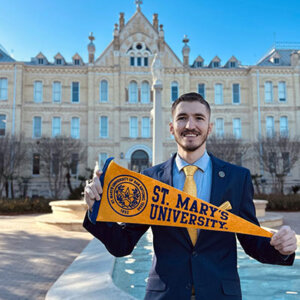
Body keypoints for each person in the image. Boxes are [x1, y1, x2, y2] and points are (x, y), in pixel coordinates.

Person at [83, 92, 297, 300]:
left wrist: (281, 248)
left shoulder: (236, 178)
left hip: (220, 295)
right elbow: (123, 245)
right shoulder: (151, 178)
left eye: (199, 118)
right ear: (171, 128)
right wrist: (95, 208)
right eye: (182, 118)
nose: (190, 125)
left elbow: (252, 242)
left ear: (209, 127)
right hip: (166, 294)